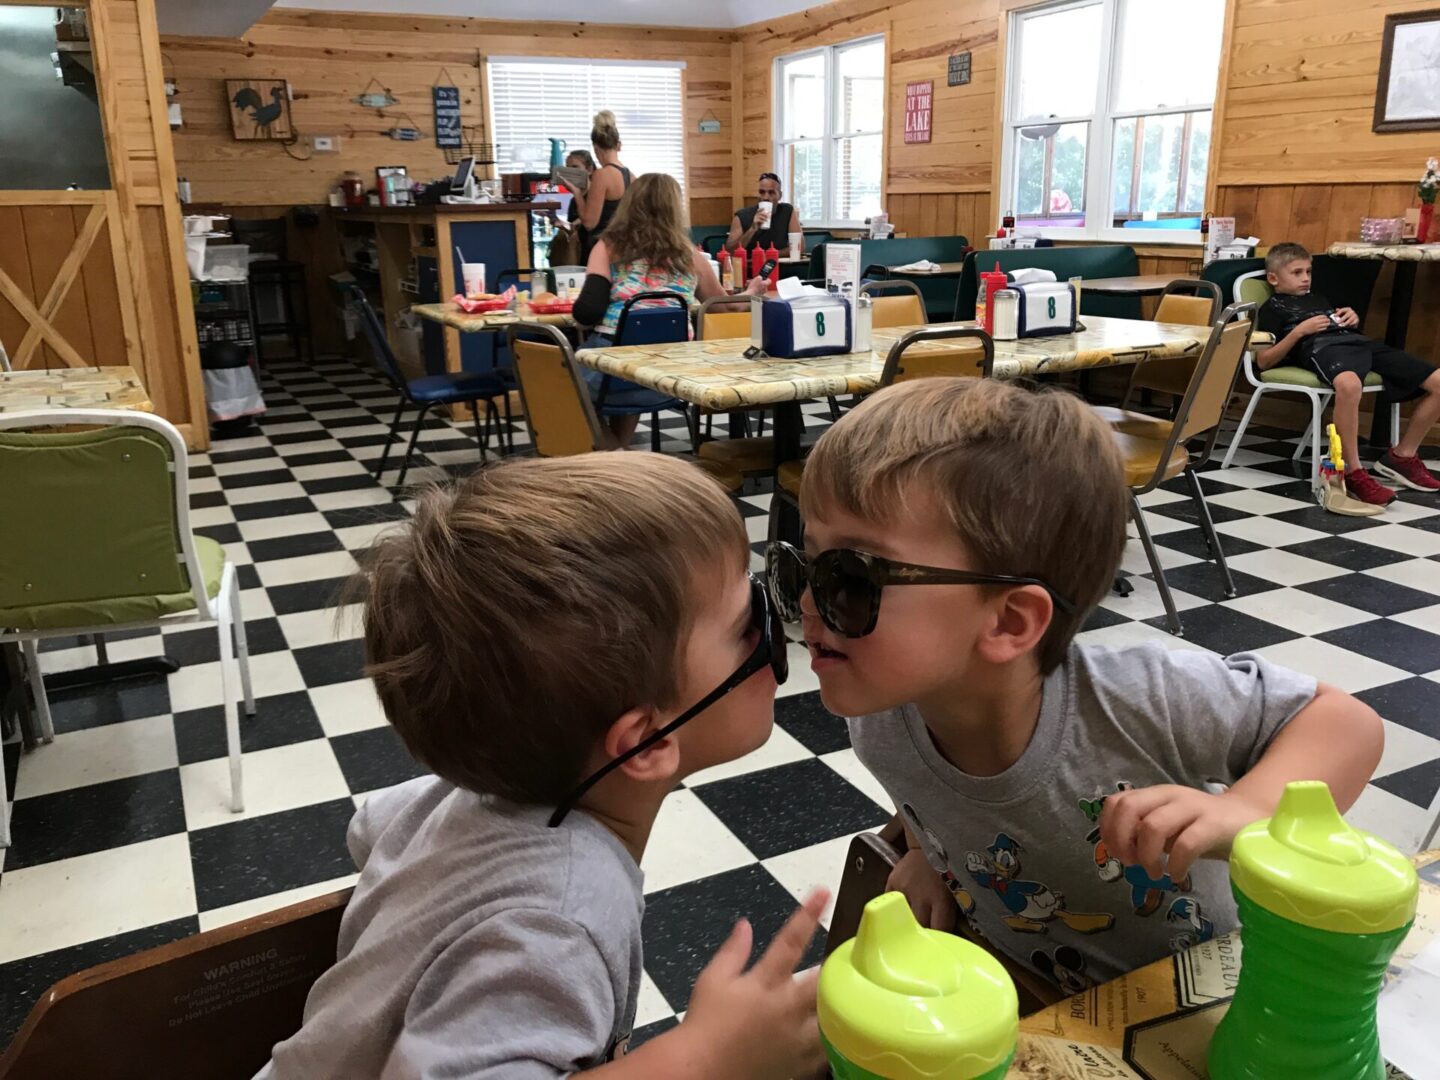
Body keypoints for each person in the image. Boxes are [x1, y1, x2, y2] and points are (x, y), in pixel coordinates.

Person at [766, 377, 1384, 990]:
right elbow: (932, 793)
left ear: (1009, 621)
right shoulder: (880, 720)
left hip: (1202, 994)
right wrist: (928, 854)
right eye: (805, 562)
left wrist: (1246, 811)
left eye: (849, 576)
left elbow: (1343, 722)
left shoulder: (1139, 699)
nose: (806, 599)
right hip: (1029, 993)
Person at [257, 454, 828, 1079]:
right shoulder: (556, 919)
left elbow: (368, 830)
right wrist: (705, 1061)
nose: (780, 617)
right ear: (645, 741)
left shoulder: (449, 798)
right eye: (752, 625)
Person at [573, 172, 767, 448]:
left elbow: (587, 311)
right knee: (634, 360)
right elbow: (725, 307)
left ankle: (615, 457)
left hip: (612, 373)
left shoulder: (608, 246)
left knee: (562, 385)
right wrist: (751, 293)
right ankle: (618, 455)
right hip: (671, 376)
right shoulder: (690, 254)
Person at [1256, 241, 1440, 506]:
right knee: (1350, 385)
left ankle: (1402, 456)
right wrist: (1299, 331)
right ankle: (1352, 471)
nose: (1306, 278)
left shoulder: (1318, 298)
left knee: (1437, 381)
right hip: (1321, 349)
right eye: (1297, 273)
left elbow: (1338, 325)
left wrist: (1349, 317)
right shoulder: (1272, 309)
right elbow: (1263, 361)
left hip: (1357, 343)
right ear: (1273, 278)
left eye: (1308, 271)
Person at [562, 111, 631, 261]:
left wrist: (577, 193)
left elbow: (589, 223)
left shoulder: (602, 175)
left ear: (595, 148)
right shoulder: (631, 176)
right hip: (623, 249)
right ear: (618, 145)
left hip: (602, 250)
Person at [726, 172, 804, 255]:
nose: (766, 197)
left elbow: (799, 247)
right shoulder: (742, 216)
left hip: (781, 265)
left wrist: (768, 255)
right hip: (751, 266)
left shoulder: (787, 211)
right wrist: (752, 229)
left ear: (779, 196)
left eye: (771, 192)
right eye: (762, 192)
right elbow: (730, 252)